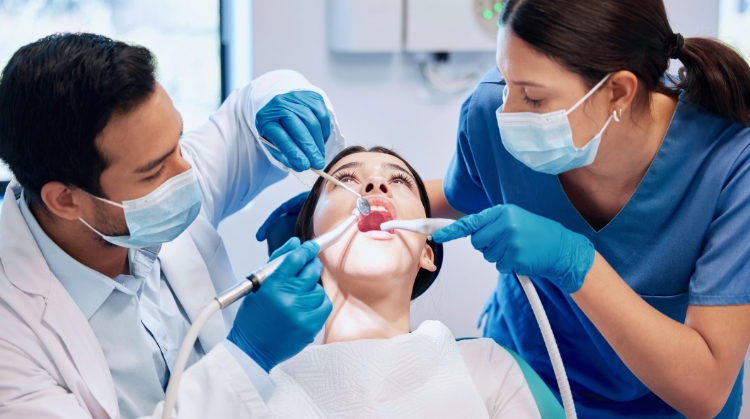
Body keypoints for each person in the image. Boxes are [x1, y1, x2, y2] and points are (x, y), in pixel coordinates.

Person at [423, 0, 750, 417]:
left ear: (618, 91)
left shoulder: (731, 165)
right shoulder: (491, 111)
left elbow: (706, 389)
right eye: (506, 81)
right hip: (524, 385)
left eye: (533, 98)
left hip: (666, 403)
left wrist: (575, 262)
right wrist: (350, 200)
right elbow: (458, 196)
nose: (508, 112)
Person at [0, 33, 344, 418]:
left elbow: (250, 109)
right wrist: (249, 355)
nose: (188, 173)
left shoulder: (148, 165)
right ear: (65, 200)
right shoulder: (10, 338)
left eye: (178, 143)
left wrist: (280, 96)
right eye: (153, 173)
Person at [258, 146, 542, 418]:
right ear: (311, 248)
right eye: (344, 179)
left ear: (426, 254)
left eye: (399, 180)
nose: (376, 183)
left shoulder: (487, 367)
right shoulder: (256, 388)